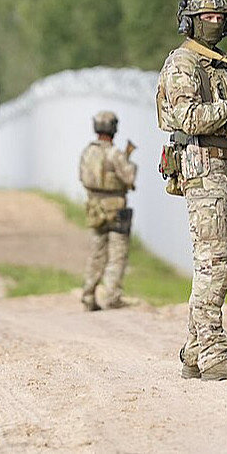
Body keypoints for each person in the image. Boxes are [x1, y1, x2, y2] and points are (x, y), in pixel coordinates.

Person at [156, 0, 227, 381]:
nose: (214, 24)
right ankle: (215, 353)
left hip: (222, 167)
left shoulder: (223, 68)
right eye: (206, 17)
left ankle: (193, 352)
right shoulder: (183, 64)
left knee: (219, 261)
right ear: (190, 21)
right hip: (203, 166)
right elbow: (188, 118)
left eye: (220, 18)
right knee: (216, 264)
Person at [78, 111, 138, 311]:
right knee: (117, 254)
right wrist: (129, 161)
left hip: (95, 207)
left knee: (97, 253)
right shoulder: (115, 154)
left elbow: (83, 177)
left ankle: (88, 295)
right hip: (116, 208)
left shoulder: (88, 152)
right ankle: (112, 296)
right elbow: (128, 178)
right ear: (113, 128)